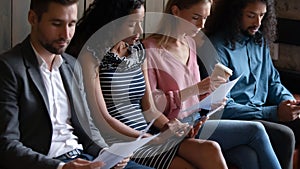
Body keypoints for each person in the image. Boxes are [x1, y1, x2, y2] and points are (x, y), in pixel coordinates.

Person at [67, 0, 229, 169]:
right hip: (122, 140)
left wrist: (170, 127)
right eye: (131, 24)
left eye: (140, 22)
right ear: (112, 23)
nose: (139, 31)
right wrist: (149, 138)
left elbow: (150, 109)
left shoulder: (138, 50)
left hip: (148, 133)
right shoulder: (92, 56)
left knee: (211, 149)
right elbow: (103, 119)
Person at [0, 0, 153, 169]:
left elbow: (88, 129)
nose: (65, 34)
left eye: (71, 24)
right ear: (33, 18)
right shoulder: (9, 68)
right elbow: (7, 145)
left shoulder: (72, 65)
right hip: (49, 163)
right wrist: (61, 167)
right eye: (56, 24)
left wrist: (106, 152)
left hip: (86, 158)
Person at [142, 0, 282, 169]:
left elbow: (195, 97)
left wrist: (213, 99)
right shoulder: (149, 49)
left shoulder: (190, 43)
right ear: (175, 11)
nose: (201, 25)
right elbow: (152, 104)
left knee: (248, 156)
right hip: (171, 126)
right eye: (196, 17)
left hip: (196, 122)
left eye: (205, 18)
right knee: (256, 130)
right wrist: (195, 91)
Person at [203, 0, 300, 168]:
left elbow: (272, 82)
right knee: (285, 135)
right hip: (238, 118)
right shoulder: (216, 48)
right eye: (251, 16)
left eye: (262, 16)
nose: (258, 23)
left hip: (261, 112)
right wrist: (274, 112)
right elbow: (223, 107)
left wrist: (288, 101)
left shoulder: (259, 41)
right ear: (234, 14)